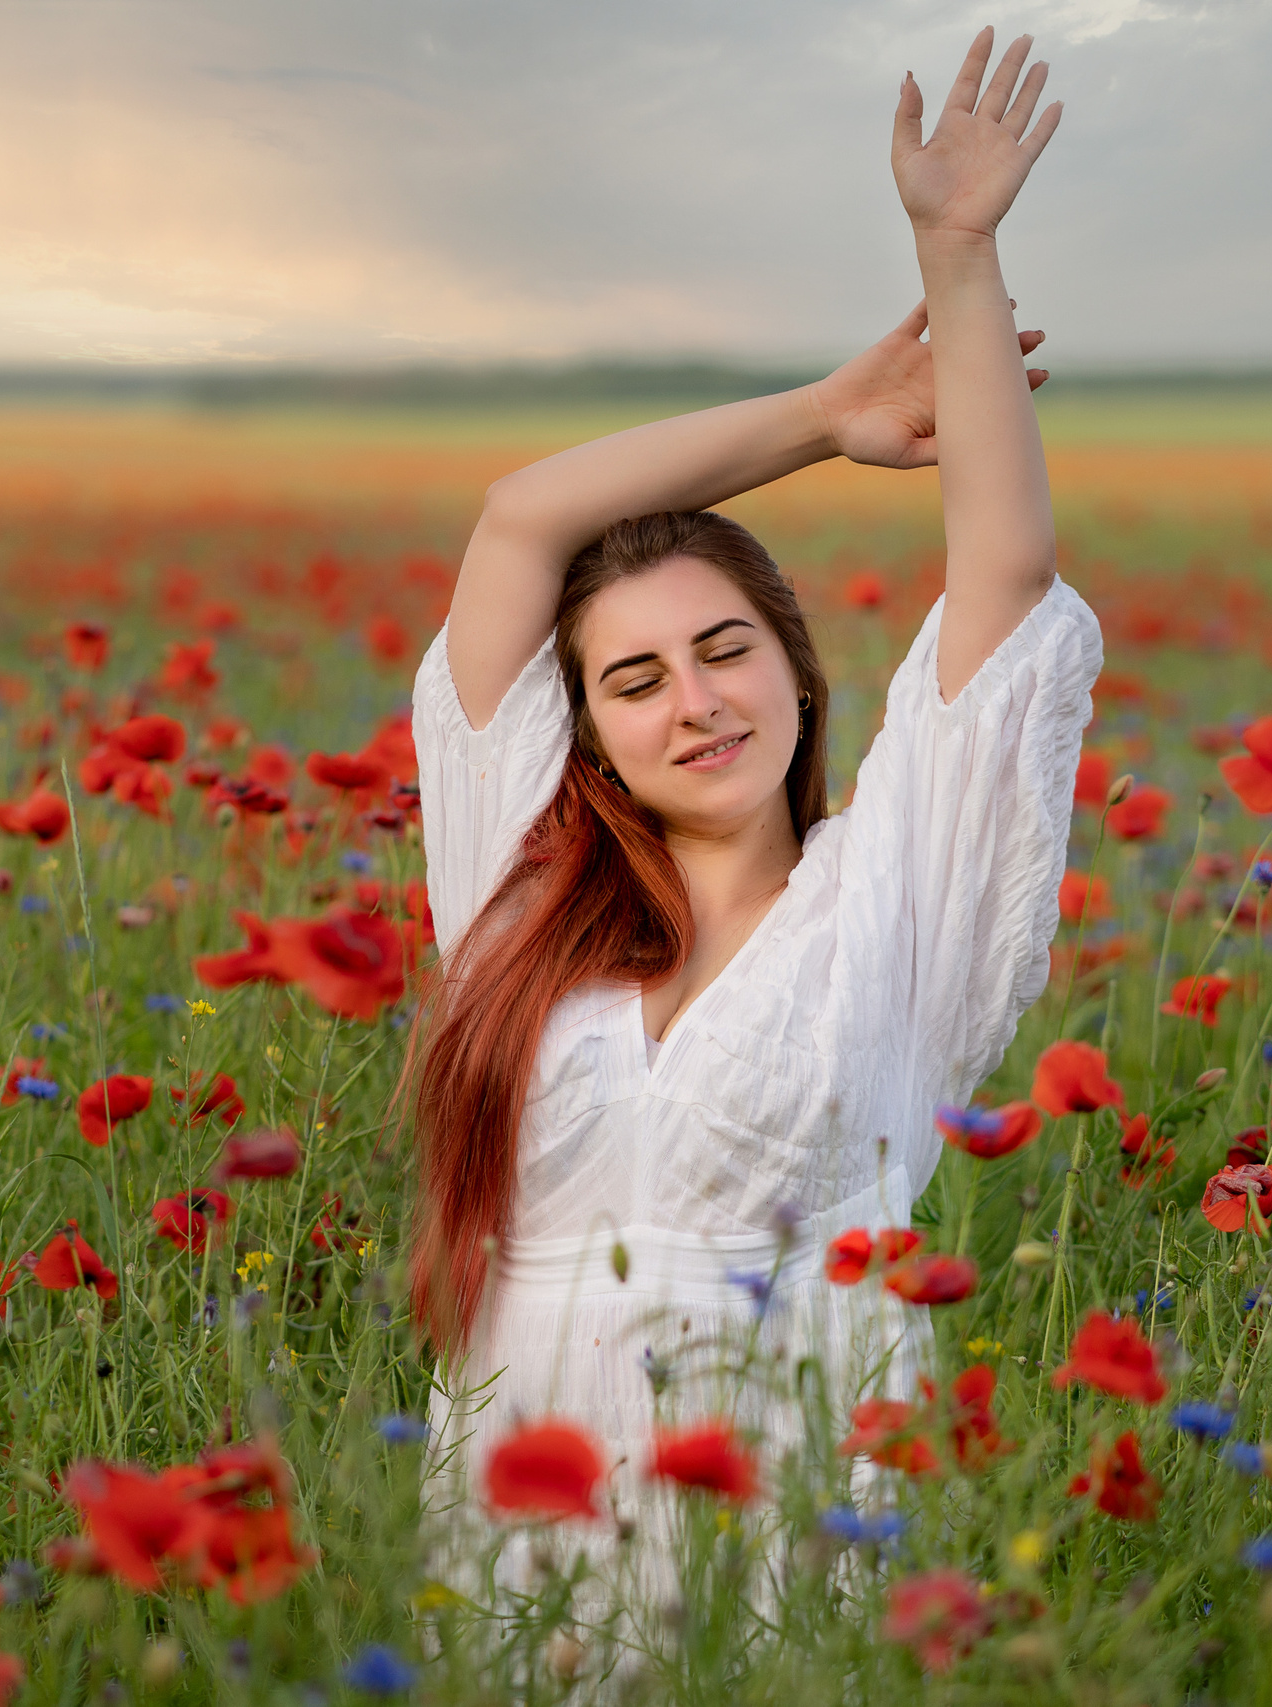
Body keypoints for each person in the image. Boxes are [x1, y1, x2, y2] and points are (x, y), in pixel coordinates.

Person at [406, 24, 1099, 1616]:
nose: (693, 702)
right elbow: (522, 519)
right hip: (525, 1483)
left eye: (725, 651)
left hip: (799, 1484)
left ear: (793, 671)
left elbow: (1000, 575)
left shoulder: (891, 900)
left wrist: (958, 253)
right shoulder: (518, 900)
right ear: (588, 735)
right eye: (635, 679)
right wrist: (829, 412)